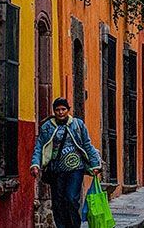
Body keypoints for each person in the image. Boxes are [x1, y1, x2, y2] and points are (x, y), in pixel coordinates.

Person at [29, 97, 102, 228]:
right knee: (58, 202)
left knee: (71, 199)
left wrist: (95, 164)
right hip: (56, 170)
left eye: (63, 109)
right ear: (54, 111)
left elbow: (87, 144)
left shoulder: (78, 124)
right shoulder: (47, 126)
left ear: (68, 110)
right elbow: (39, 146)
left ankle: (74, 225)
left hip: (76, 169)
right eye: (58, 110)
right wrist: (35, 164)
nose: (61, 112)